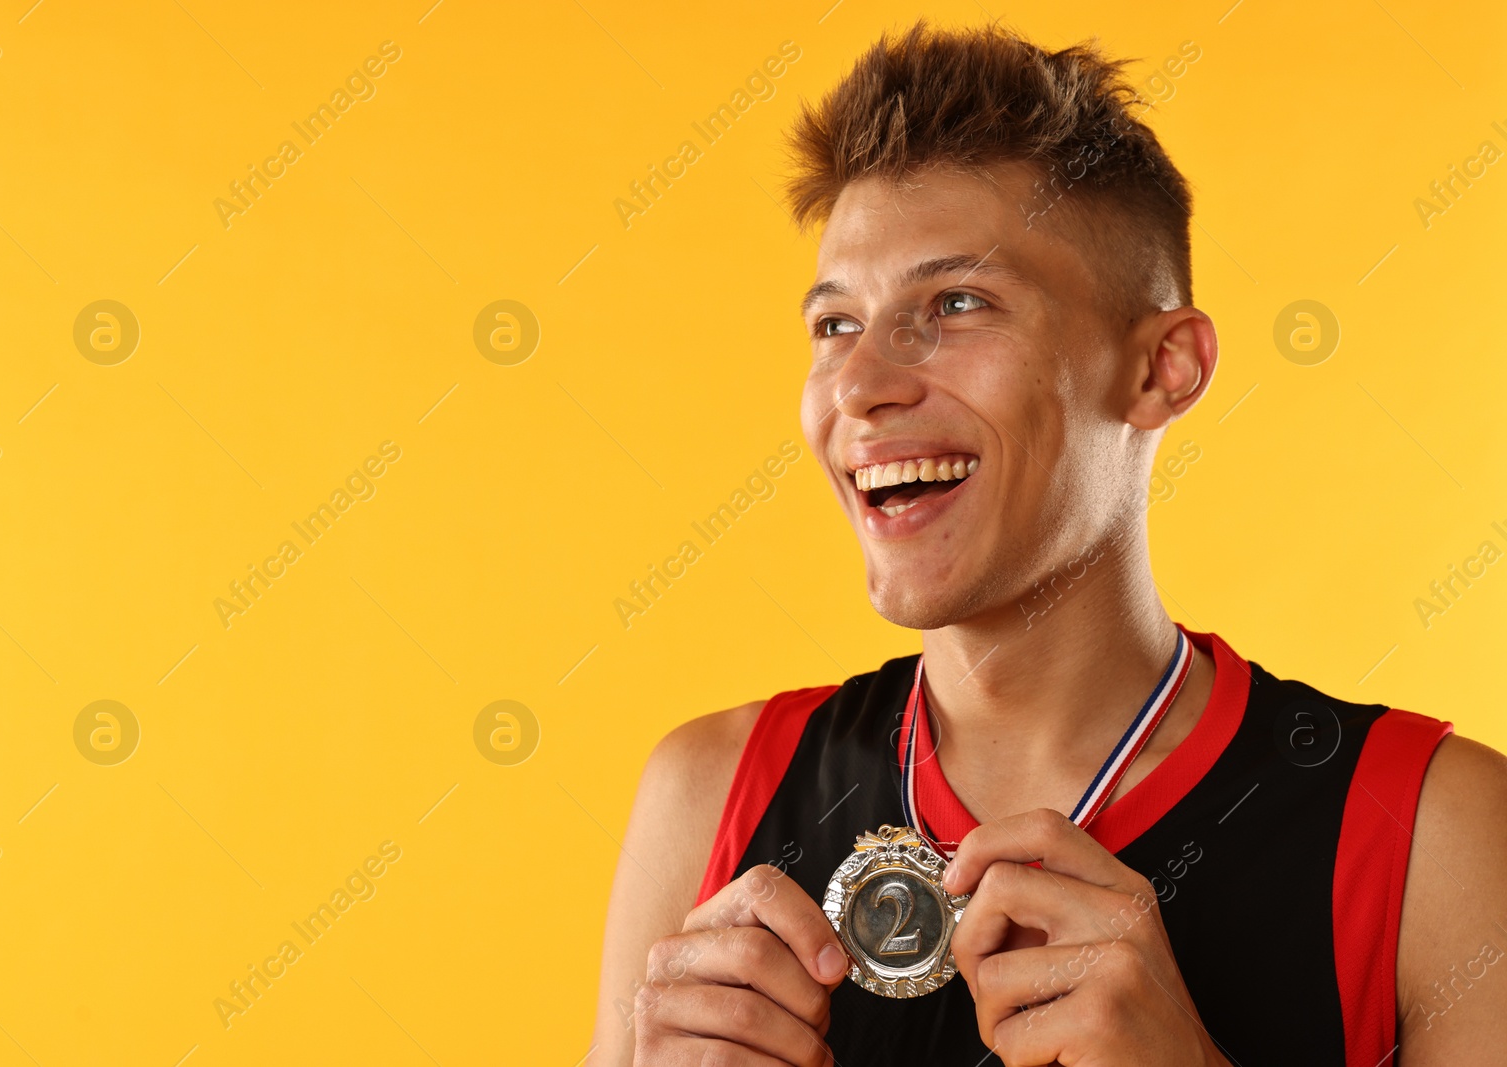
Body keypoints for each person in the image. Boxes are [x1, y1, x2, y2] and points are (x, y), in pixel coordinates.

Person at [591, 20, 1507, 1066]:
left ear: (1161, 369)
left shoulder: (1434, 830)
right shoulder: (708, 793)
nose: (859, 386)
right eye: (835, 325)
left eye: (957, 302)